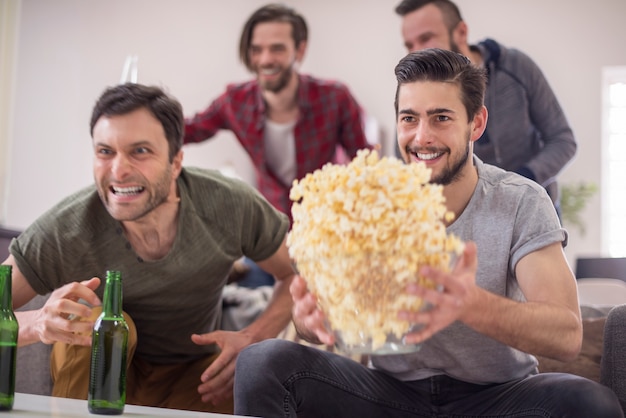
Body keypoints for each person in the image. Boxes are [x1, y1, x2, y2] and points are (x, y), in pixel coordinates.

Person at [232, 49, 623, 417]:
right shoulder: (368, 202)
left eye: (441, 118)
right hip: (389, 394)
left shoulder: (521, 201)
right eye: (409, 118)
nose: (422, 137)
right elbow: (328, 323)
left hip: (498, 397)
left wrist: (469, 305)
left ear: (477, 123)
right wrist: (308, 320)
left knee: (590, 403)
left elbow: (567, 335)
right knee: (262, 362)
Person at [6, 83, 296, 414]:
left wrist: (254, 336)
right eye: (105, 151)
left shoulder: (230, 204)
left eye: (140, 151)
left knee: (251, 375)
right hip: (97, 374)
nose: (118, 169)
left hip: (195, 377)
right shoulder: (66, 228)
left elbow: (295, 275)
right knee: (107, 321)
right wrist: (36, 323)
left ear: (176, 163)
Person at [184, 3, 371, 287]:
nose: (265, 59)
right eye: (256, 49)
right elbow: (188, 129)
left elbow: (365, 164)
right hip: (268, 238)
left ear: (300, 50)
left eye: (277, 48)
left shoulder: (335, 98)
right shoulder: (235, 102)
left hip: (327, 239)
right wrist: (142, 113)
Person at [394, 0, 576, 215]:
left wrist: (520, 182)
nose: (416, 52)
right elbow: (405, 159)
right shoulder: (412, 91)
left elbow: (562, 140)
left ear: (461, 32)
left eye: (426, 38)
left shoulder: (517, 67)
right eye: (409, 45)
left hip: (531, 210)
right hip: (465, 219)